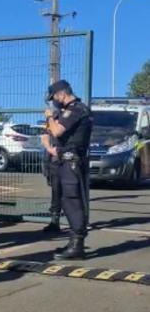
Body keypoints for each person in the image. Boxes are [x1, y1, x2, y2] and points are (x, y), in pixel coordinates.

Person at [44, 80, 92, 259]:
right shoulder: (71, 110)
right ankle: (74, 242)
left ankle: (77, 244)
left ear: (61, 94)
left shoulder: (76, 109)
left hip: (73, 162)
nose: (54, 102)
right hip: (66, 160)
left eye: (54, 98)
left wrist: (50, 117)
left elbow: (57, 131)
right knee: (66, 200)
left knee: (72, 201)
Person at [40, 124, 63, 233]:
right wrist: (49, 149)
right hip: (54, 162)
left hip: (69, 160)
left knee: (72, 194)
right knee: (56, 192)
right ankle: (55, 221)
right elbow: (45, 136)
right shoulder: (51, 119)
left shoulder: (72, 115)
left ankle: (79, 224)